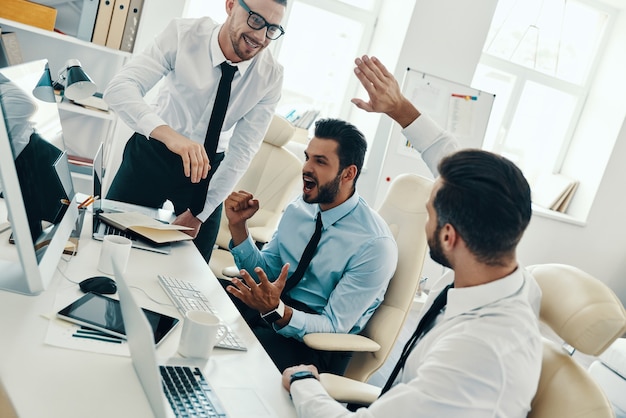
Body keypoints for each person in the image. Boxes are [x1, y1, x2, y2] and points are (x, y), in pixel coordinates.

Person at [280, 56, 543, 417]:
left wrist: (303, 383)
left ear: (449, 236)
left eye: (429, 213)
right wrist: (400, 110)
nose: (424, 224)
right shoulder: (499, 270)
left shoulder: (476, 353)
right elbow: (462, 170)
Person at [103, 0, 287, 262]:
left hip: (208, 174)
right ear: (231, 5)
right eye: (256, 20)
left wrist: (201, 212)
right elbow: (119, 88)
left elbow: (243, 150)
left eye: (272, 29)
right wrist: (172, 137)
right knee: (110, 243)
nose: (260, 36)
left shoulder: (270, 76)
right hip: (152, 153)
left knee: (192, 267)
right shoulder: (183, 34)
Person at [223, 118, 398, 375]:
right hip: (271, 311)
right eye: (307, 157)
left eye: (320, 161)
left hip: (314, 345)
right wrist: (239, 228)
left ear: (348, 173)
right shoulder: (299, 209)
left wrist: (276, 311)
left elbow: (334, 325)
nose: (306, 168)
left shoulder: (375, 245)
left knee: (232, 360)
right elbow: (267, 272)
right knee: (204, 301)